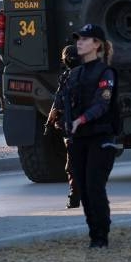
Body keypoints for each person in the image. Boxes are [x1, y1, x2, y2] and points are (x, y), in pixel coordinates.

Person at [63, 23, 120, 248]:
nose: (79, 42)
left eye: (85, 39)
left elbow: (102, 104)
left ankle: (101, 237)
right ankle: (93, 233)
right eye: (78, 39)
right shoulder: (74, 74)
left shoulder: (106, 73)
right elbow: (67, 103)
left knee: (95, 186)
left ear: (97, 45)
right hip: (79, 139)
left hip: (101, 137)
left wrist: (81, 120)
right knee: (83, 189)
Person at [46, 43, 83, 209]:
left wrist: (50, 123)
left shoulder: (67, 78)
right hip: (91, 128)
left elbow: (57, 105)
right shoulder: (91, 75)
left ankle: (74, 198)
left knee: (72, 166)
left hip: (73, 129)